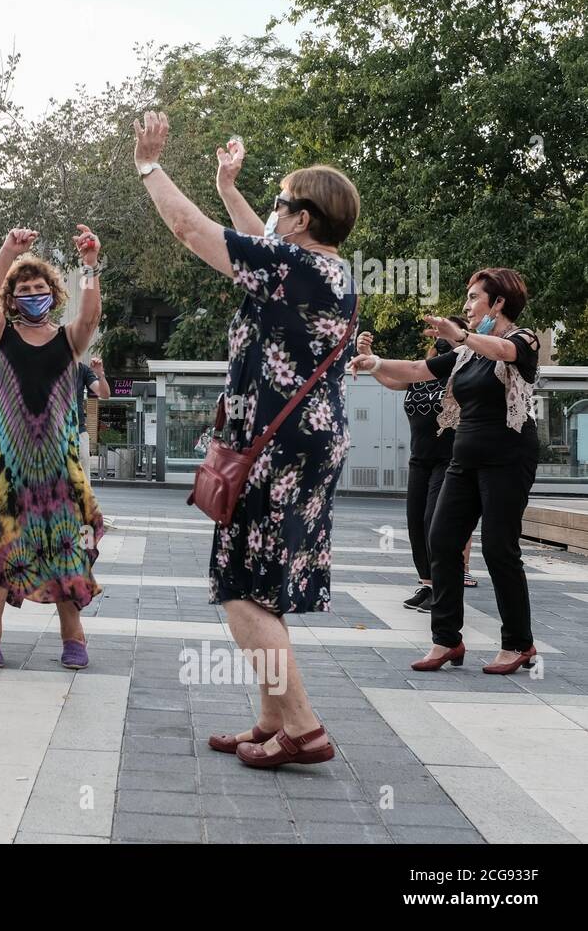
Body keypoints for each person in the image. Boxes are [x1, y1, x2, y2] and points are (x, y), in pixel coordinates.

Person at [139, 116, 360, 767]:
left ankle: (304, 728)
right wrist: (227, 185)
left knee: (241, 590)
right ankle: (270, 720)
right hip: (312, 441)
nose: (273, 213)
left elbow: (191, 231)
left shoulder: (292, 267)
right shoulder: (332, 273)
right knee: (267, 587)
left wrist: (150, 166)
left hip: (273, 446)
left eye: (281, 204)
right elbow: (255, 245)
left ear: (302, 218)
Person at [351, 269, 541, 675]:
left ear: (499, 302)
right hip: (464, 458)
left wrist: (461, 335)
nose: (467, 306)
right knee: (441, 539)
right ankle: (447, 640)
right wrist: (375, 362)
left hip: (508, 459)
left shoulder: (523, 339)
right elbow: (420, 370)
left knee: (498, 548)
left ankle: (518, 644)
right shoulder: (466, 353)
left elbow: (503, 353)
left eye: (474, 298)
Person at [0, 224, 105, 670]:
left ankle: (74, 636)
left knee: (67, 548)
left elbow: (90, 317)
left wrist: (89, 266)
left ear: (53, 293)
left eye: (40, 287)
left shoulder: (70, 341)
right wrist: (8, 251)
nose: (33, 294)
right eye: (24, 289)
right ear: (12, 300)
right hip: (2, 468)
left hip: (59, 470)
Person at [356, 322, 475, 610]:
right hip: (419, 458)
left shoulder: (465, 368)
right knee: (415, 525)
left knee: (433, 522)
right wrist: (368, 353)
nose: (441, 338)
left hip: (449, 458)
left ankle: (447, 586)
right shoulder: (425, 370)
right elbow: (393, 380)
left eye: (449, 331)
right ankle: (427, 584)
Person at [76, 356, 111, 478]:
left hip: (78, 432)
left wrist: (100, 375)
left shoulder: (82, 370)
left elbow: (105, 394)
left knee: (82, 480)